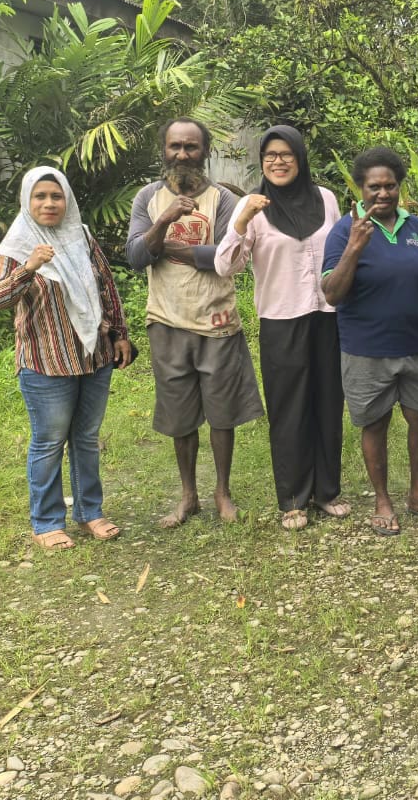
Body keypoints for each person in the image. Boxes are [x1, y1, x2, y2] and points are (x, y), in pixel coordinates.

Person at [126, 117, 264, 528]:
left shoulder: (223, 199)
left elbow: (223, 259)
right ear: (163, 150)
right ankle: (189, 496)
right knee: (179, 415)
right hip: (167, 320)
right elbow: (135, 258)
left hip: (217, 320)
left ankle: (222, 492)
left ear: (206, 152)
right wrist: (164, 221)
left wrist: (168, 249)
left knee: (222, 413)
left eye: (191, 147)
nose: (182, 154)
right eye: (175, 147)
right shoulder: (148, 198)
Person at [0, 167, 135, 550]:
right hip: (46, 361)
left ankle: (89, 512)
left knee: (85, 438)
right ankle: (48, 521)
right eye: (40, 197)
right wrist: (30, 267)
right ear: (27, 201)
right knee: (49, 441)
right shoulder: (15, 247)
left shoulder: (80, 236)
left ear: (66, 199)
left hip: (93, 355)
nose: (49, 203)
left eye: (56, 196)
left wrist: (120, 333)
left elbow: (106, 285)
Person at [215, 125, 349, 530]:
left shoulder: (325, 199)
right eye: (270, 155)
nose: (278, 161)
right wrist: (241, 222)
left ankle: (326, 491)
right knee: (289, 408)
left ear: (300, 157)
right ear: (261, 162)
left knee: (328, 402)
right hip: (281, 320)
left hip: (327, 316)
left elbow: (341, 249)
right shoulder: (254, 208)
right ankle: (292, 497)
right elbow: (225, 266)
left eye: (286, 154)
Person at [322, 147, 418, 536]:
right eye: (374, 187)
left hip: (413, 347)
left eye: (390, 186)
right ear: (360, 190)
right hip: (365, 351)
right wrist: (355, 249)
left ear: (400, 187)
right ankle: (382, 500)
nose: (383, 194)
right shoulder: (345, 232)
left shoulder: (416, 228)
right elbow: (332, 294)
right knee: (375, 424)